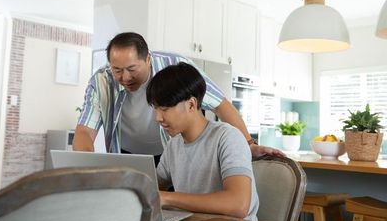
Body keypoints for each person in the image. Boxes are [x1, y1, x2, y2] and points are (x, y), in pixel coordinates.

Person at [73, 32, 282, 160]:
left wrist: (248, 145)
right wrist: (84, 167)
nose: (125, 77)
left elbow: (221, 105)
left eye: (132, 69)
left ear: (148, 59)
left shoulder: (174, 67)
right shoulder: (101, 80)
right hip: (128, 154)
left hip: (172, 153)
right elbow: (84, 132)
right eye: (117, 70)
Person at [146, 62, 258, 220]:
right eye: (155, 109)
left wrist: (167, 198)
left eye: (164, 109)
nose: (158, 117)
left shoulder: (228, 137)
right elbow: (152, 188)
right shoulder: (174, 145)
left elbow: (238, 205)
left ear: (191, 104)